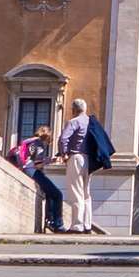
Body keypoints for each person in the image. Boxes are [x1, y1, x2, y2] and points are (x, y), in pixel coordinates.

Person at [13, 125, 62, 233]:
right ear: (47, 136)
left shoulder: (30, 141)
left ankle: (50, 221)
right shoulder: (39, 143)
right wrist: (51, 161)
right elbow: (37, 164)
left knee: (50, 193)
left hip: (26, 170)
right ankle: (57, 224)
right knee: (58, 194)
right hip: (34, 172)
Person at [56, 98, 95, 235]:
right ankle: (87, 224)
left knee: (76, 191)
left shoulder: (73, 122)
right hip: (89, 159)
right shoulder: (91, 123)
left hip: (76, 158)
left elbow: (63, 139)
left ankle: (77, 226)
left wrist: (64, 154)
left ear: (74, 110)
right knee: (86, 193)